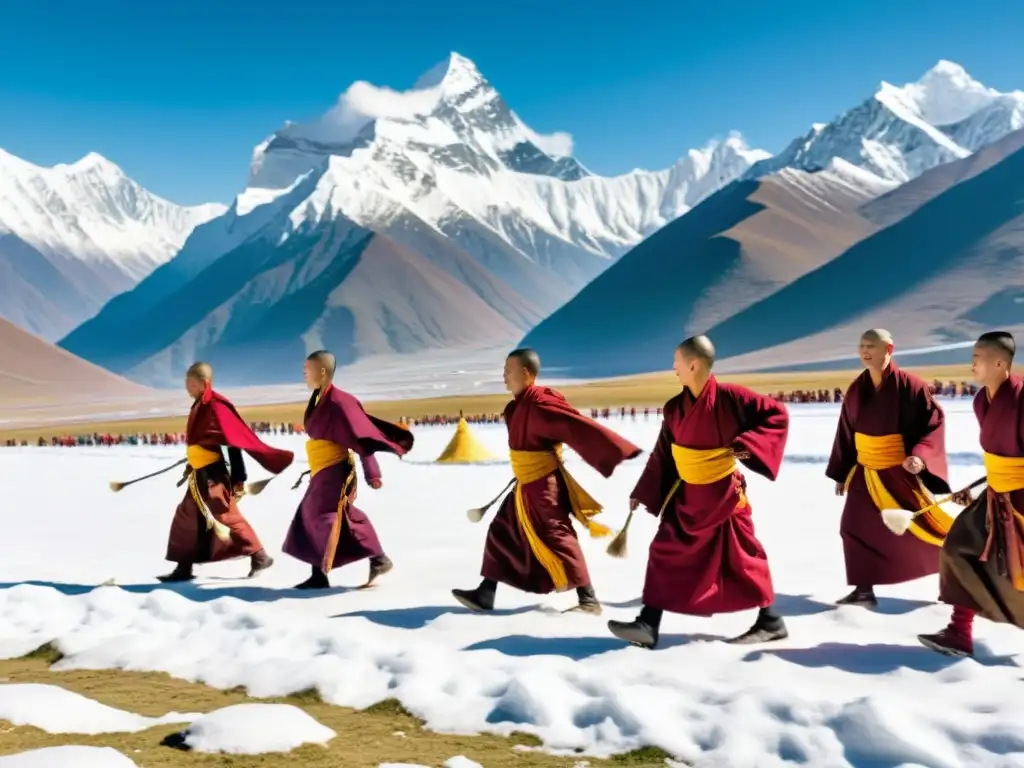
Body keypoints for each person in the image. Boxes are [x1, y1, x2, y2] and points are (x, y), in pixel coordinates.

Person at [607, 335, 790, 648]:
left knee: (744, 558)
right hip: (687, 498)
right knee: (664, 550)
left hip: (724, 497)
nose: (673, 368)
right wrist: (645, 489)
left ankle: (770, 620)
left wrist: (749, 444)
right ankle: (648, 624)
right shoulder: (675, 408)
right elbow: (664, 452)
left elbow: (776, 415)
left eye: (677, 362)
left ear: (693, 364)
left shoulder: (732, 398)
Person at [452, 348, 641, 614]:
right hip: (525, 481)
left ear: (526, 373)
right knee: (502, 529)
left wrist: (611, 448)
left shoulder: (541, 402)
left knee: (558, 534)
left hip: (544, 483)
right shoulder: (517, 406)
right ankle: (486, 592)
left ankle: (588, 600)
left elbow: (573, 425)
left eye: (508, 370)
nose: (503, 376)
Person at [826, 329, 951, 607]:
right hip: (865, 471)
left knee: (924, 528)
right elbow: (846, 431)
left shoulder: (911, 386)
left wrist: (919, 456)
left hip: (898, 471)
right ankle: (863, 591)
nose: (864, 350)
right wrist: (843, 471)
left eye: (871, 345)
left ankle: (954, 579)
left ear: (889, 350)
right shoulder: (857, 388)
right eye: (861, 345)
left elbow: (933, 423)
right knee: (852, 527)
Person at [919, 331, 1024, 657]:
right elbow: (999, 455)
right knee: (957, 547)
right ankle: (959, 633)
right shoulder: (982, 401)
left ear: (999, 363)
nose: (972, 364)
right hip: (997, 494)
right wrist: (980, 486)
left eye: (978, 357)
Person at [283, 350, 414, 589]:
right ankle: (320, 575)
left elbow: (361, 437)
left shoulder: (340, 402)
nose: (303, 373)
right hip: (321, 470)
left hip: (336, 470)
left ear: (322, 371)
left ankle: (378, 558)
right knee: (309, 516)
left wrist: (372, 473)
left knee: (332, 516)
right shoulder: (317, 399)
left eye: (307, 369)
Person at [161, 362, 294, 582]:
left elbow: (234, 442)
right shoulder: (199, 405)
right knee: (187, 516)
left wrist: (239, 478)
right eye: (186, 383)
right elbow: (203, 441)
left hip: (214, 474)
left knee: (226, 515)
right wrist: (192, 463)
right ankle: (184, 567)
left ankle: (259, 555)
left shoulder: (216, 406)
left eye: (191, 383)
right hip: (199, 473)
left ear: (203, 384)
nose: (187, 388)